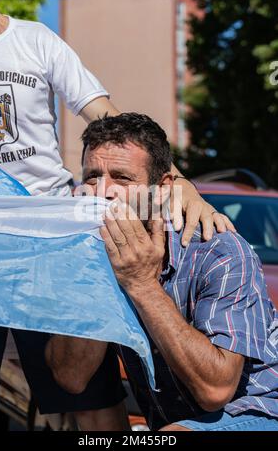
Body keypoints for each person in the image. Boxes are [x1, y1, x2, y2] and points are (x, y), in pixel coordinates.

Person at [0, 0, 233, 431]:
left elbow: (111, 122)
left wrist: (179, 181)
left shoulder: (34, 40)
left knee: (88, 396)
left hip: (52, 239)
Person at [49, 113, 278, 431]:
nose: (103, 192)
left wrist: (141, 283)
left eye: (122, 178)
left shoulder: (218, 251)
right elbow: (71, 377)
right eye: (92, 177)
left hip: (257, 411)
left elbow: (216, 391)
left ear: (161, 190)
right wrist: (97, 273)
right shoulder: (90, 255)